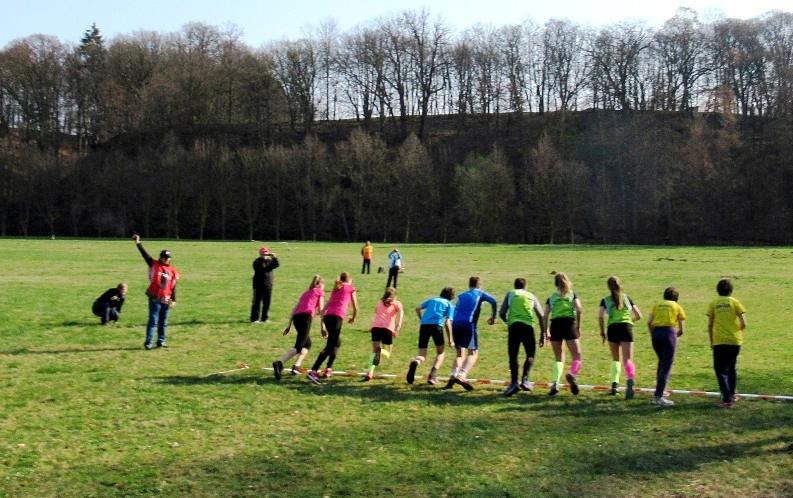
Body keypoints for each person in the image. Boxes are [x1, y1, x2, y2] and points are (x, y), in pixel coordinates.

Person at [445, 276, 498, 391]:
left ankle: (453, 375)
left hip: (455, 324)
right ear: (479, 285)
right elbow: (494, 301)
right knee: (473, 352)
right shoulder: (480, 293)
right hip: (468, 324)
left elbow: (456, 309)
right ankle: (462, 375)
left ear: (469, 285)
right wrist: (494, 317)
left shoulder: (461, 296)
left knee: (460, 353)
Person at [307, 272, 359, 384]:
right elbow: (356, 307)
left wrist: (322, 324)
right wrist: (353, 317)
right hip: (336, 318)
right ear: (349, 280)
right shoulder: (350, 288)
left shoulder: (337, 288)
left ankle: (328, 368)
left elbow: (325, 308)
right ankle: (313, 371)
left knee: (337, 342)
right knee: (330, 346)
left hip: (328, 317)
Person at [273, 275, 325, 380]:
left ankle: (296, 366)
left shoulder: (305, 293)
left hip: (296, 318)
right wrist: (323, 327)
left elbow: (294, 309)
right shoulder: (319, 292)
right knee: (299, 346)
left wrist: (289, 325)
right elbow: (321, 310)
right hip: (306, 318)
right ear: (321, 285)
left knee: (307, 343)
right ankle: (279, 362)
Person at [499, 278, 545, 397]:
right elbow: (541, 315)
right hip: (528, 327)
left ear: (514, 286)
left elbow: (502, 312)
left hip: (514, 326)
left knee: (513, 355)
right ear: (525, 286)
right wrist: (543, 333)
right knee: (530, 354)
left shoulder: (510, 294)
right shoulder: (531, 296)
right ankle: (525, 380)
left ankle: (514, 383)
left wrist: (507, 321)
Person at [133, 234, 180, 349]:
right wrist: (138, 243)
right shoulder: (154, 264)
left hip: (166, 299)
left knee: (163, 321)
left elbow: (173, 286)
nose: (167, 259)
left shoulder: (173, 271)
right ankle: (148, 342)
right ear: (161, 258)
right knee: (153, 320)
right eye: (165, 257)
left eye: (168, 258)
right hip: (155, 298)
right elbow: (145, 255)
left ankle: (161, 340)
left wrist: (174, 299)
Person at [707, 279, 748, 408]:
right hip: (735, 341)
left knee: (720, 370)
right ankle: (732, 394)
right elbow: (744, 323)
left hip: (719, 341)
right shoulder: (735, 302)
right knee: (731, 367)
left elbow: (710, 325)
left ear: (717, 290)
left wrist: (711, 341)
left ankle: (727, 400)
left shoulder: (713, 303)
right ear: (731, 290)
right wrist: (737, 332)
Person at [598, 276, 642, 397]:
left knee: (615, 359)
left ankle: (614, 386)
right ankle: (630, 381)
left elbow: (600, 316)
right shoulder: (627, 298)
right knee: (628, 359)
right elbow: (639, 315)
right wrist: (630, 321)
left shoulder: (605, 300)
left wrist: (602, 332)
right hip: (626, 328)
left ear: (608, 287)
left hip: (612, 328)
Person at [544, 272, 584, 396]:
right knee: (577, 356)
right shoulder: (572, 294)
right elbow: (579, 309)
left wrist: (545, 331)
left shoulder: (551, 298)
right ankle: (572, 374)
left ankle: (555, 383)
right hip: (569, 324)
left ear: (555, 284)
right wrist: (578, 326)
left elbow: (545, 315)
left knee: (558, 358)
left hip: (555, 325)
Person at [647, 287, 687, 407]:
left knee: (661, 362)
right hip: (669, 333)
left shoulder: (657, 305)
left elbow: (649, 322)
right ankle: (658, 397)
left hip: (656, 333)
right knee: (666, 365)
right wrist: (674, 337)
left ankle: (661, 390)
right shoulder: (677, 306)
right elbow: (682, 330)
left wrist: (653, 335)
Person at [407, 287, 455, 385]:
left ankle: (416, 362)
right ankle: (432, 376)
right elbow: (447, 322)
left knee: (422, 354)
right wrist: (451, 339)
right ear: (451, 297)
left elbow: (417, 308)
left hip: (424, 326)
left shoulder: (432, 300)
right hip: (437, 326)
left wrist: (421, 319)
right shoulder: (449, 304)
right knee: (441, 352)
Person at [363, 287, 404, 381]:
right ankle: (380, 351)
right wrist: (397, 327)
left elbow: (376, 312)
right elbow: (401, 314)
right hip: (387, 328)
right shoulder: (397, 303)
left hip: (375, 327)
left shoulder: (379, 302)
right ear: (394, 295)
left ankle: (370, 372)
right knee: (388, 353)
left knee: (374, 352)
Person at [251, 246, 279, 323]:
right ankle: (255, 319)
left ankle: (265, 318)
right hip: (258, 285)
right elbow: (263, 269)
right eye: (263, 252)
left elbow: (276, 265)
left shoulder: (270, 261)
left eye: (266, 252)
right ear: (260, 253)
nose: (264, 253)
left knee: (267, 302)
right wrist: (265, 259)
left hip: (268, 285)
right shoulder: (257, 261)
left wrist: (275, 258)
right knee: (256, 302)